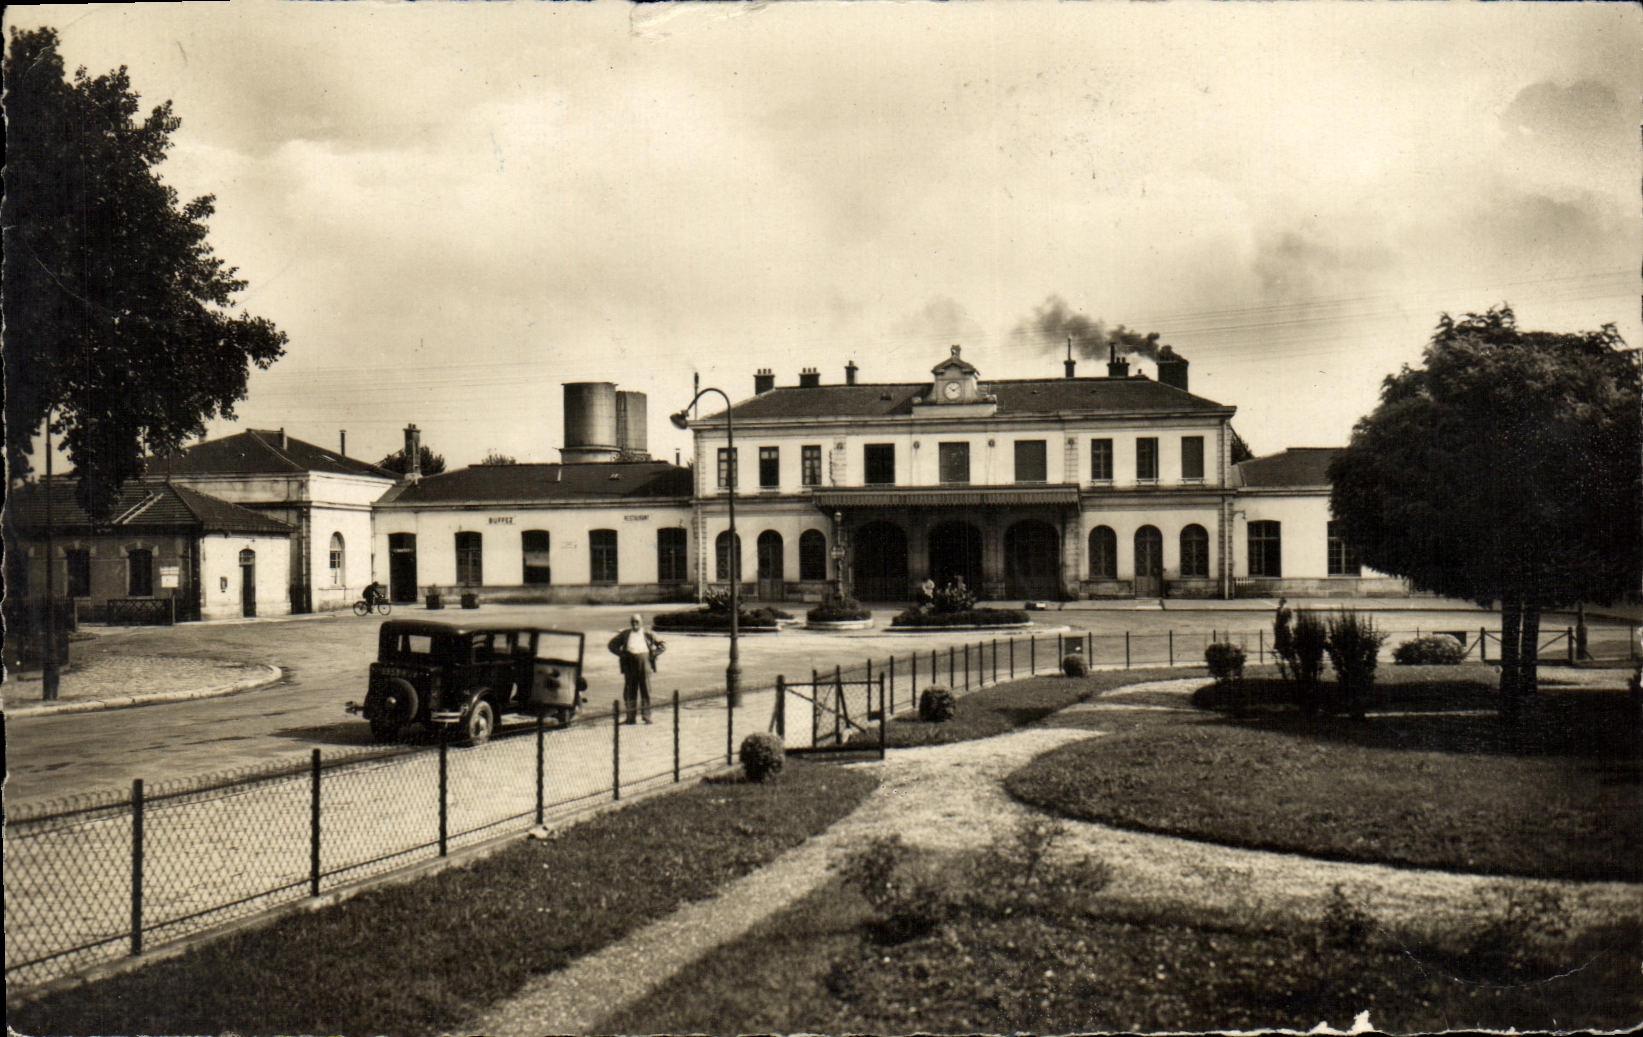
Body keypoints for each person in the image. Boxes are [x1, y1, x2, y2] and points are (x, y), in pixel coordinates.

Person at [608, 613, 665, 724]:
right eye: (632, 622)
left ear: (642, 622)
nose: (634, 624)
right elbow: (611, 645)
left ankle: (646, 716)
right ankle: (630, 718)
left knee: (645, 690)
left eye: (637, 622)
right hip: (629, 664)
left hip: (644, 663)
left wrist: (653, 654)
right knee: (630, 691)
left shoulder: (648, 634)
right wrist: (621, 654)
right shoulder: (625, 633)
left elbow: (663, 645)